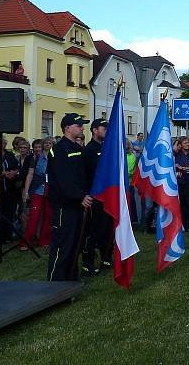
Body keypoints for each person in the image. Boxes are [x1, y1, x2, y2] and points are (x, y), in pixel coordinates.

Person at [47, 113, 93, 282]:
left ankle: (70, 280)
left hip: (79, 204)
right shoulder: (58, 150)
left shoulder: (78, 149)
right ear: (67, 128)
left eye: (82, 125)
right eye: (78, 125)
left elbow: (84, 174)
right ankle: (55, 282)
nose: (82, 128)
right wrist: (80, 196)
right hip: (65, 205)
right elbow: (63, 179)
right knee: (62, 244)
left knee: (75, 244)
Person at [81, 118, 111, 275]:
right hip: (95, 197)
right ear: (94, 130)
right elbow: (85, 175)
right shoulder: (89, 150)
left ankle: (107, 258)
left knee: (107, 229)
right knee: (94, 231)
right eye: (103, 127)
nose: (106, 130)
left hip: (108, 195)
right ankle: (88, 262)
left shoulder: (107, 148)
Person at [21, 137, 52, 248]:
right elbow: (30, 175)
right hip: (38, 190)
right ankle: (26, 241)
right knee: (34, 216)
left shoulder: (55, 157)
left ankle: (44, 241)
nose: (48, 145)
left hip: (51, 190)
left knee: (48, 217)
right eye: (46, 143)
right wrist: (26, 191)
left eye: (50, 143)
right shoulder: (36, 157)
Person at [174, 136, 189, 232]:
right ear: (180, 145)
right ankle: (183, 224)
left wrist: (182, 167)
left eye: (188, 142)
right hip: (180, 181)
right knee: (182, 203)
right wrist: (177, 143)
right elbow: (173, 151)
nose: (187, 144)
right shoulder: (177, 154)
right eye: (184, 143)